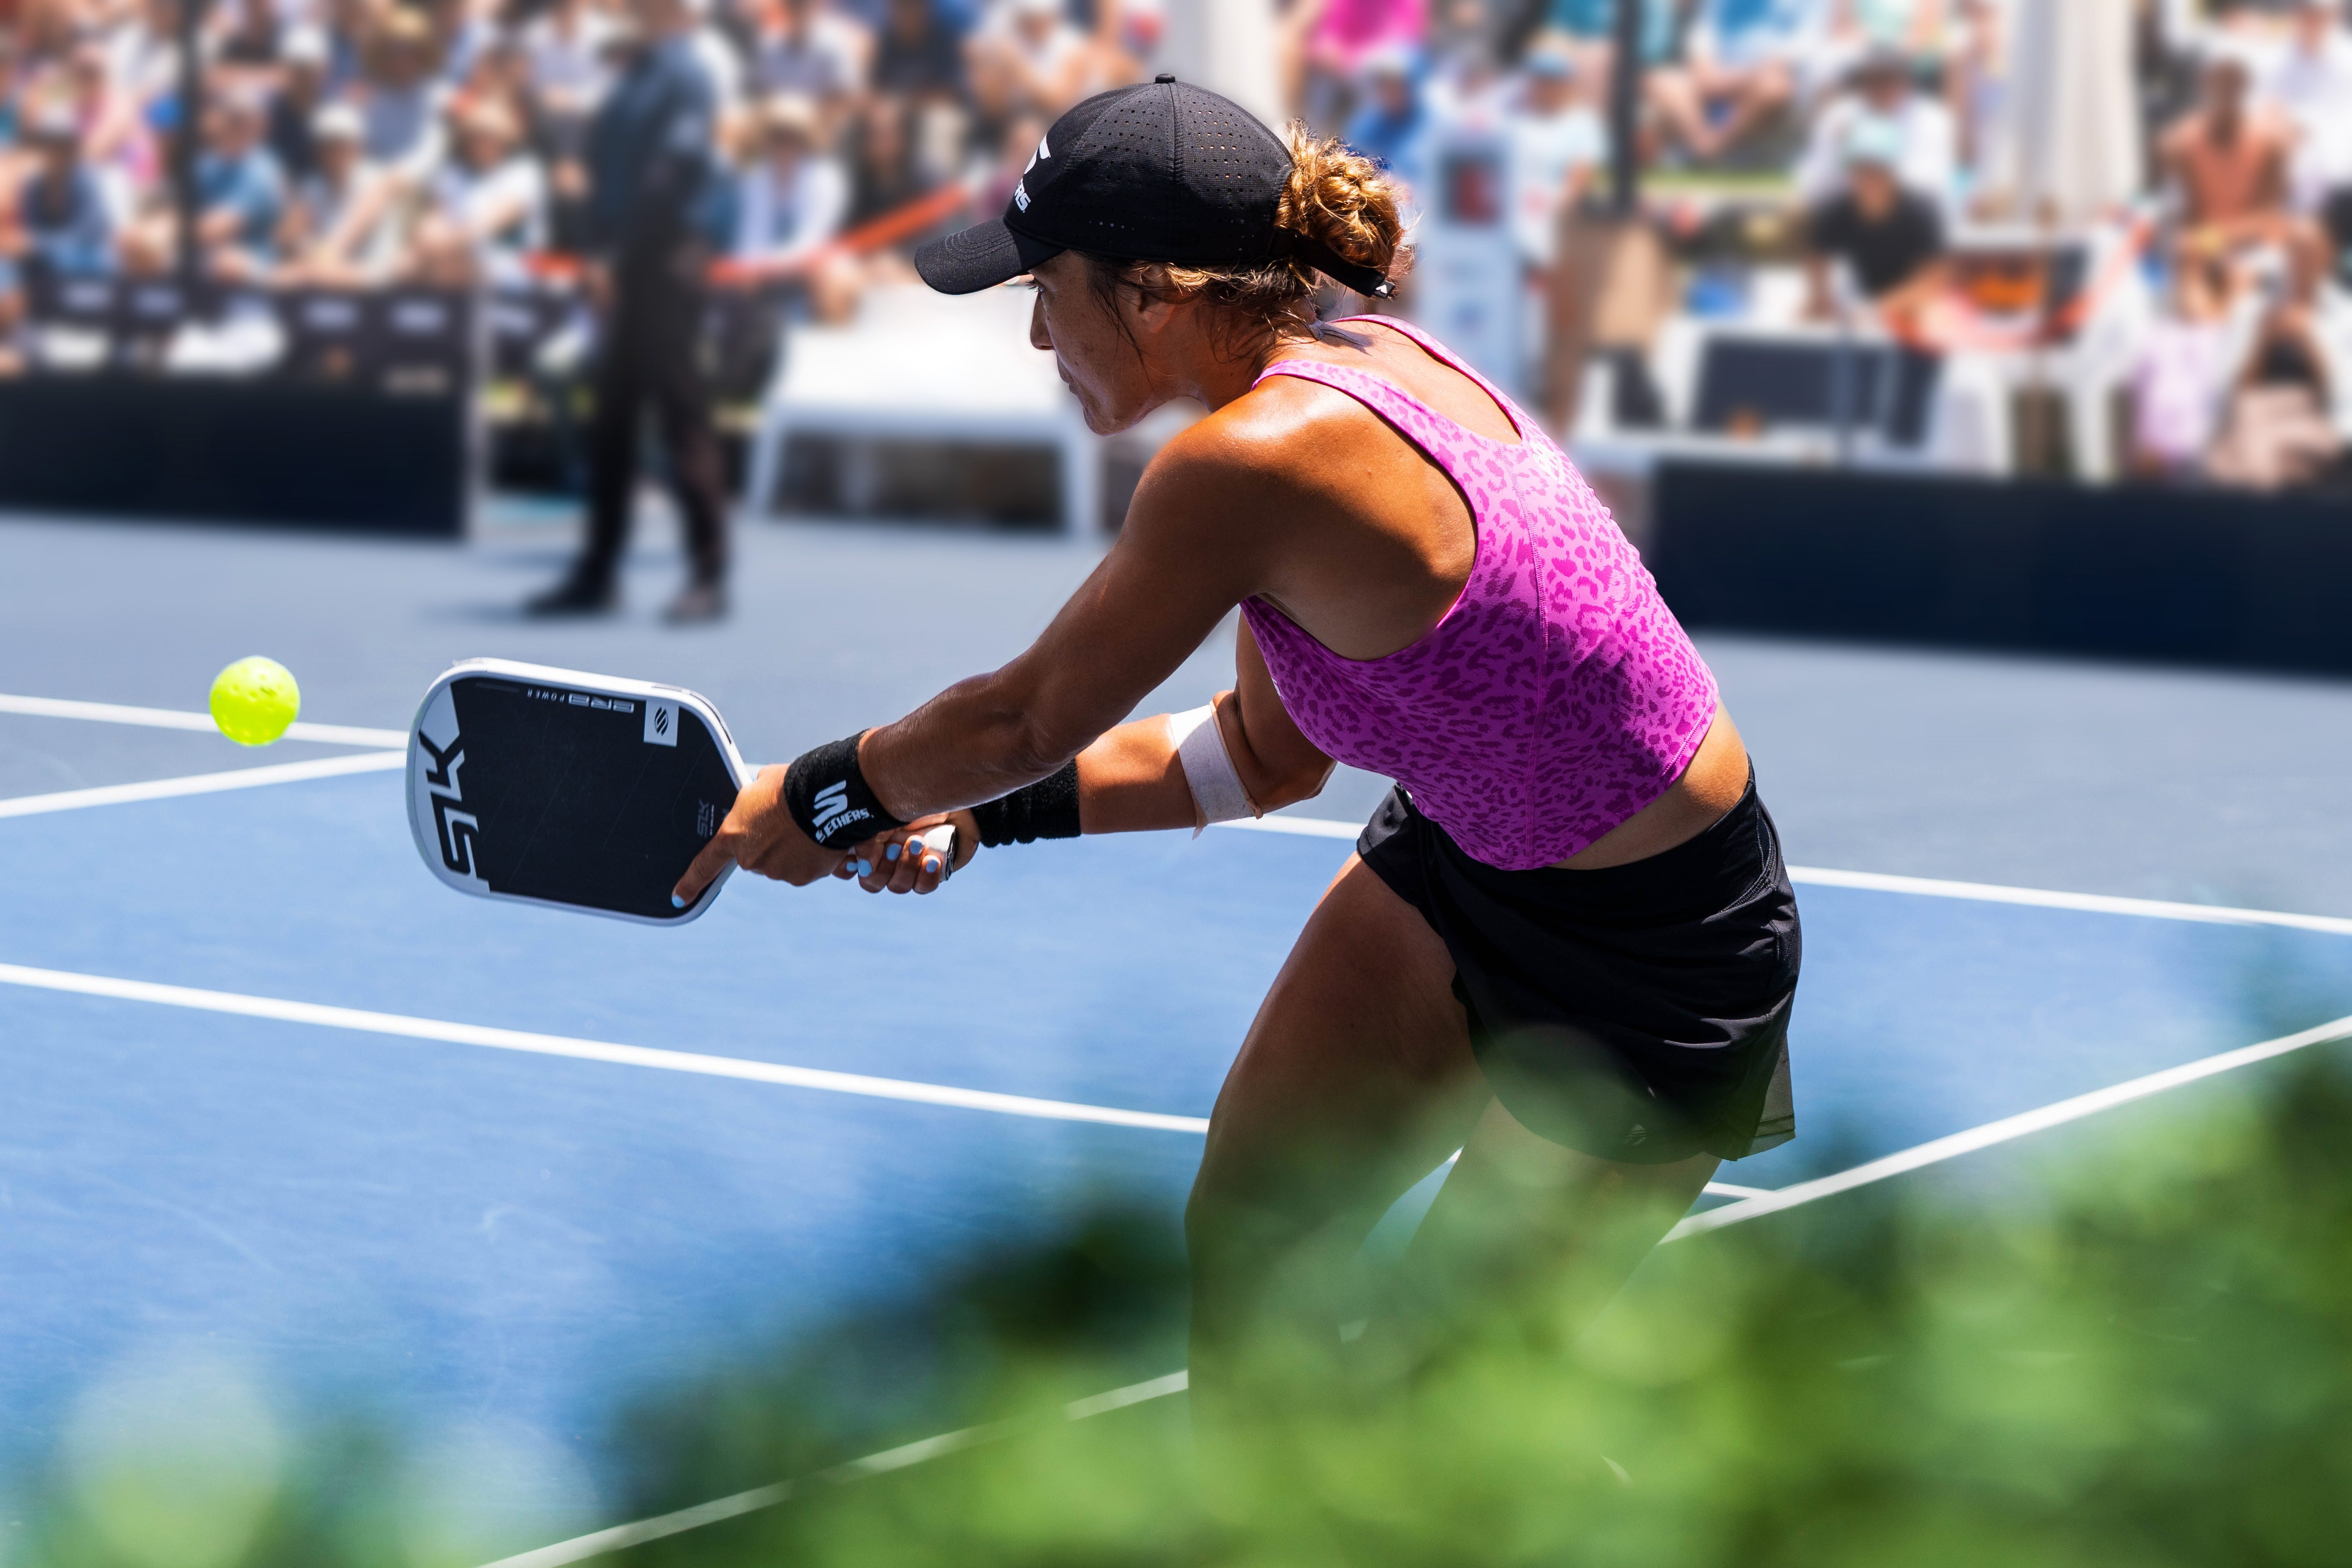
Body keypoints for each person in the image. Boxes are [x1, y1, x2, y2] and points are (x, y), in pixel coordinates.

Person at [669, 76, 1800, 1437]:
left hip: (1660, 951)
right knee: (1256, 1229)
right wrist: (978, 819)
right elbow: (1264, 759)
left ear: (1151, 291)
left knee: (1449, 1392)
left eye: (1048, 290)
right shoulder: (1332, 377)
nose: (1036, 334)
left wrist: (813, 797)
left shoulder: (1261, 456)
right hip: (1455, 867)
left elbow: (1016, 719)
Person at [528, 0, 733, 622]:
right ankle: (598, 571)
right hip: (626, 267)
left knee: (681, 415)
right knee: (613, 422)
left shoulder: (686, 75)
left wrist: (611, 257)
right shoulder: (636, 75)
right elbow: (604, 173)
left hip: (666, 265)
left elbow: (668, 177)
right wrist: (597, 254)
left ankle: (708, 573)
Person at [2159, 52, 2327, 303]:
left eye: (2237, 79)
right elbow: (2186, 217)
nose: (2229, 87)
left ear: (2248, 84)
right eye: (2222, 78)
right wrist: (2210, 249)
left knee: (2305, 238)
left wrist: (2216, 240)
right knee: (2185, 258)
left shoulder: (2272, 143)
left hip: (2253, 248)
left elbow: (2268, 217)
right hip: (2206, 250)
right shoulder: (2180, 144)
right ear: (2206, 81)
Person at [1804, 113, 1946, 321]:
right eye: (1860, 169)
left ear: (1893, 171)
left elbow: (1934, 279)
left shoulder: (1921, 210)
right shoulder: (1837, 210)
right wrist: (1820, 296)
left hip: (1923, 308)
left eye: (1877, 169)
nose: (1867, 178)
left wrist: (1880, 309)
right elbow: (1816, 255)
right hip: (1869, 303)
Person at [1646, 0, 1816, 165]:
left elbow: (1789, 62)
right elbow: (1702, 65)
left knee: (1774, 88)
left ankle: (1711, 150)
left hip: (1759, 91)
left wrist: (1727, 81)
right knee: (1663, 82)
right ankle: (1706, 148)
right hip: (1717, 88)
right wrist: (1724, 81)